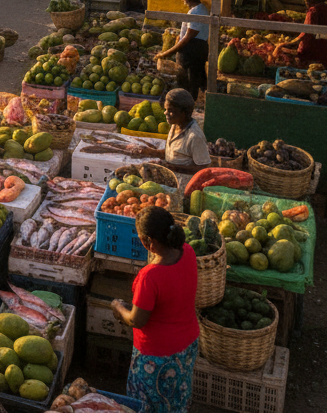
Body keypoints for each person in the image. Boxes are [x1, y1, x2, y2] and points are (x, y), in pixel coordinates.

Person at [112, 206, 200, 413]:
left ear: (148, 243)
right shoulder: (188, 251)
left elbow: (137, 320)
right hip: (187, 346)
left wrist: (118, 307)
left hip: (156, 357)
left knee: (147, 405)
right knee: (175, 399)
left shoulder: (150, 277)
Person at [156, 0, 209, 98]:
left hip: (192, 51)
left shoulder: (195, 12)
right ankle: (193, 102)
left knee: (189, 83)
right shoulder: (202, 8)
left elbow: (187, 38)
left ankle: (187, 105)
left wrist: (166, 53)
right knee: (196, 79)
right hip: (200, 48)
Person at [276, 0, 327, 66]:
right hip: (323, 53)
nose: (305, 1)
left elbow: (306, 35)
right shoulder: (326, 8)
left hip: (310, 55)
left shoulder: (313, 11)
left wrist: (286, 44)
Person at [160, 89, 211, 176]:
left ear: (183, 113)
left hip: (185, 185)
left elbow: (203, 168)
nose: (165, 113)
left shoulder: (195, 136)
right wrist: (149, 152)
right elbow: (174, 153)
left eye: (170, 111)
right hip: (172, 181)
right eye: (166, 109)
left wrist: (173, 167)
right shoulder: (175, 125)